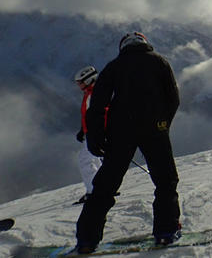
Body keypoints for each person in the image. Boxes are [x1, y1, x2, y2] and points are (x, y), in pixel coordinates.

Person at [75, 32, 180, 253]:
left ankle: (87, 240)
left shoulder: (114, 66)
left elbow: (98, 105)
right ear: (145, 43)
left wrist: (96, 137)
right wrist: (163, 124)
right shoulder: (160, 62)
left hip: (121, 132)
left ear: (123, 47)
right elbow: (173, 98)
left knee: (105, 186)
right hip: (155, 129)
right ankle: (166, 232)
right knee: (165, 180)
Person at [73, 66, 102, 204]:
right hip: (93, 132)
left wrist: (90, 132)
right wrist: (83, 130)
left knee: (84, 159)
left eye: (80, 82)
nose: (79, 85)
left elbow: (96, 115)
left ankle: (94, 191)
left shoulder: (94, 94)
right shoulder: (92, 92)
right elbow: (88, 115)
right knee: (95, 159)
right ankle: (105, 186)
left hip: (96, 133)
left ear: (89, 79)